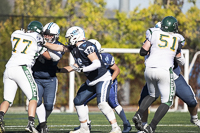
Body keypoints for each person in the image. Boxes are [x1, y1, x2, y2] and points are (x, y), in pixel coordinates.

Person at [45, 26, 122, 133]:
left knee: (102, 103)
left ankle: (116, 128)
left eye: (69, 37)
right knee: (78, 101)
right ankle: (84, 128)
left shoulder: (87, 46)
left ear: (76, 36)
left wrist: (83, 69)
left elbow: (97, 63)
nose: (68, 40)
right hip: (91, 80)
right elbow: (59, 48)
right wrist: (42, 44)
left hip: (102, 78)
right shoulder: (74, 48)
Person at [136, 22, 200, 133]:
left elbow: (179, 59)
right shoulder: (154, 40)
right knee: (143, 100)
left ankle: (194, 119)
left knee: (192, 101)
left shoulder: (161, 37)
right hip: (159, 73)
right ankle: (144, 125)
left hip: (173, 76)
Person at [132, 16, 184, 133]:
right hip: (165, 70)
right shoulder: (177, 38)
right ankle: (152, 127)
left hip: (149, 68)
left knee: (152, 94)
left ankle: (139, 114)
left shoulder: (153, 33)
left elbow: (143, 51)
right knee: (167, 101)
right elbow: (179, 58)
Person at [73, 39, 132, 133]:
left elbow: (117, 70)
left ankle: (126, 123)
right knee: (82, 101)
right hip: (95, 83)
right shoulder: (85, 57)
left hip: (108, 80)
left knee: (112, 102)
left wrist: (110, 81)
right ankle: (86, 125)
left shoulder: (105, 57)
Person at [0, 21, 47, 133]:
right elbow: (48, 56)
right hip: (22, 68)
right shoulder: (37, 39)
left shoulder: (15, 34)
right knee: (34, 97)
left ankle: (0, 119)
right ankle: (31, 124)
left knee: (7, 99)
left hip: (9, 69)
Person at [32, 22, 65, 133]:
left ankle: (42, 123)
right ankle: (42, 125)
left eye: (50, 35)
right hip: (36, 77)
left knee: (49, 106)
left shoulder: (59, 45)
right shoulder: (36, 41)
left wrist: (43, 44)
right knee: (36, 102)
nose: (47, 37)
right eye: (45, 34)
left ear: (56, 36)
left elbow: (55, 57)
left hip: (50, 79)